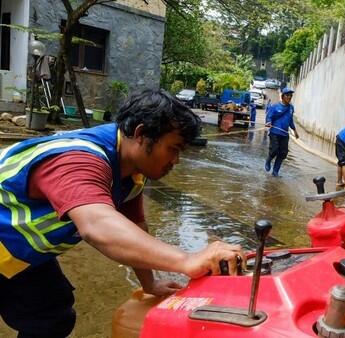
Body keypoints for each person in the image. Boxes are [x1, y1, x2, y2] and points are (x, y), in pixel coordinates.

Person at [0, 89, 244, 337]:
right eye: (173, 148)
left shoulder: (131, 169)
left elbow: (134, 226)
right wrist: (186, 260)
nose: (176, 160)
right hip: (7, 249)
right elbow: (97, 224)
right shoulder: (79, 160)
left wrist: (149, 283)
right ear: (140, 134)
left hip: (18, 255)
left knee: (52, 314)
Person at [264, 87, 299, 177]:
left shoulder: (291, 108)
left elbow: (290, 120)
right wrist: (268, 122)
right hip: (275, 132)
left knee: (283, 153)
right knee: (274, 150)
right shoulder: (275, 107)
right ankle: (268, 160)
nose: (289, 97)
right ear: (283, 96)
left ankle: (275, 171)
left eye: (291, 95)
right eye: (287, 95)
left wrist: (295, 130)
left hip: (284, 134)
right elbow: (269, 117)